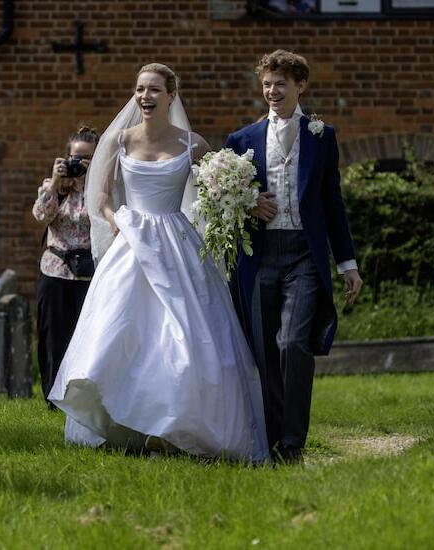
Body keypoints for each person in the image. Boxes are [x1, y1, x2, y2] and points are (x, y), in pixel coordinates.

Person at [47, 63, 269, 462]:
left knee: (182, 332)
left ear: (171, 95)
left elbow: (217, 189)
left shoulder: (193, 144)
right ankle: (126, 423)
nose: (144, 97)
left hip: (176, 238)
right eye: (139, 90)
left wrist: (245, 198)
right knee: (123, 331)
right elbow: (103, 201)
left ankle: (176, 427)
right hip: (131, 240)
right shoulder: (119, 141)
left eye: (153, 90)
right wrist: (123, 224)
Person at [226, 50, 363, 463]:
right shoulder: (242, 140)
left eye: (280, 83)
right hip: (261, 255)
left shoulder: (322, 136)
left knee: (293, 343)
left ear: (300, 85)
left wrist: (348, 264)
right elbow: (221, 202)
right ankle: (268, 440)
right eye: (267, 84)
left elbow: (332, 203)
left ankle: (292, 444)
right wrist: (248, 203)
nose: (272, 91)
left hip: (305, 254)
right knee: (265, 350)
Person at [32, 126, 99, 408]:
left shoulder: (103, 189)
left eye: (87, 158)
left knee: (84, 337)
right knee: (53, 336)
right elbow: (40, 216)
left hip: (91, 271)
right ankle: (52, 397)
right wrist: (57, 182)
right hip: (56, 269)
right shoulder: (54, 187)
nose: (80, 163)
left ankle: (80, 398)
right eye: (75, 157)